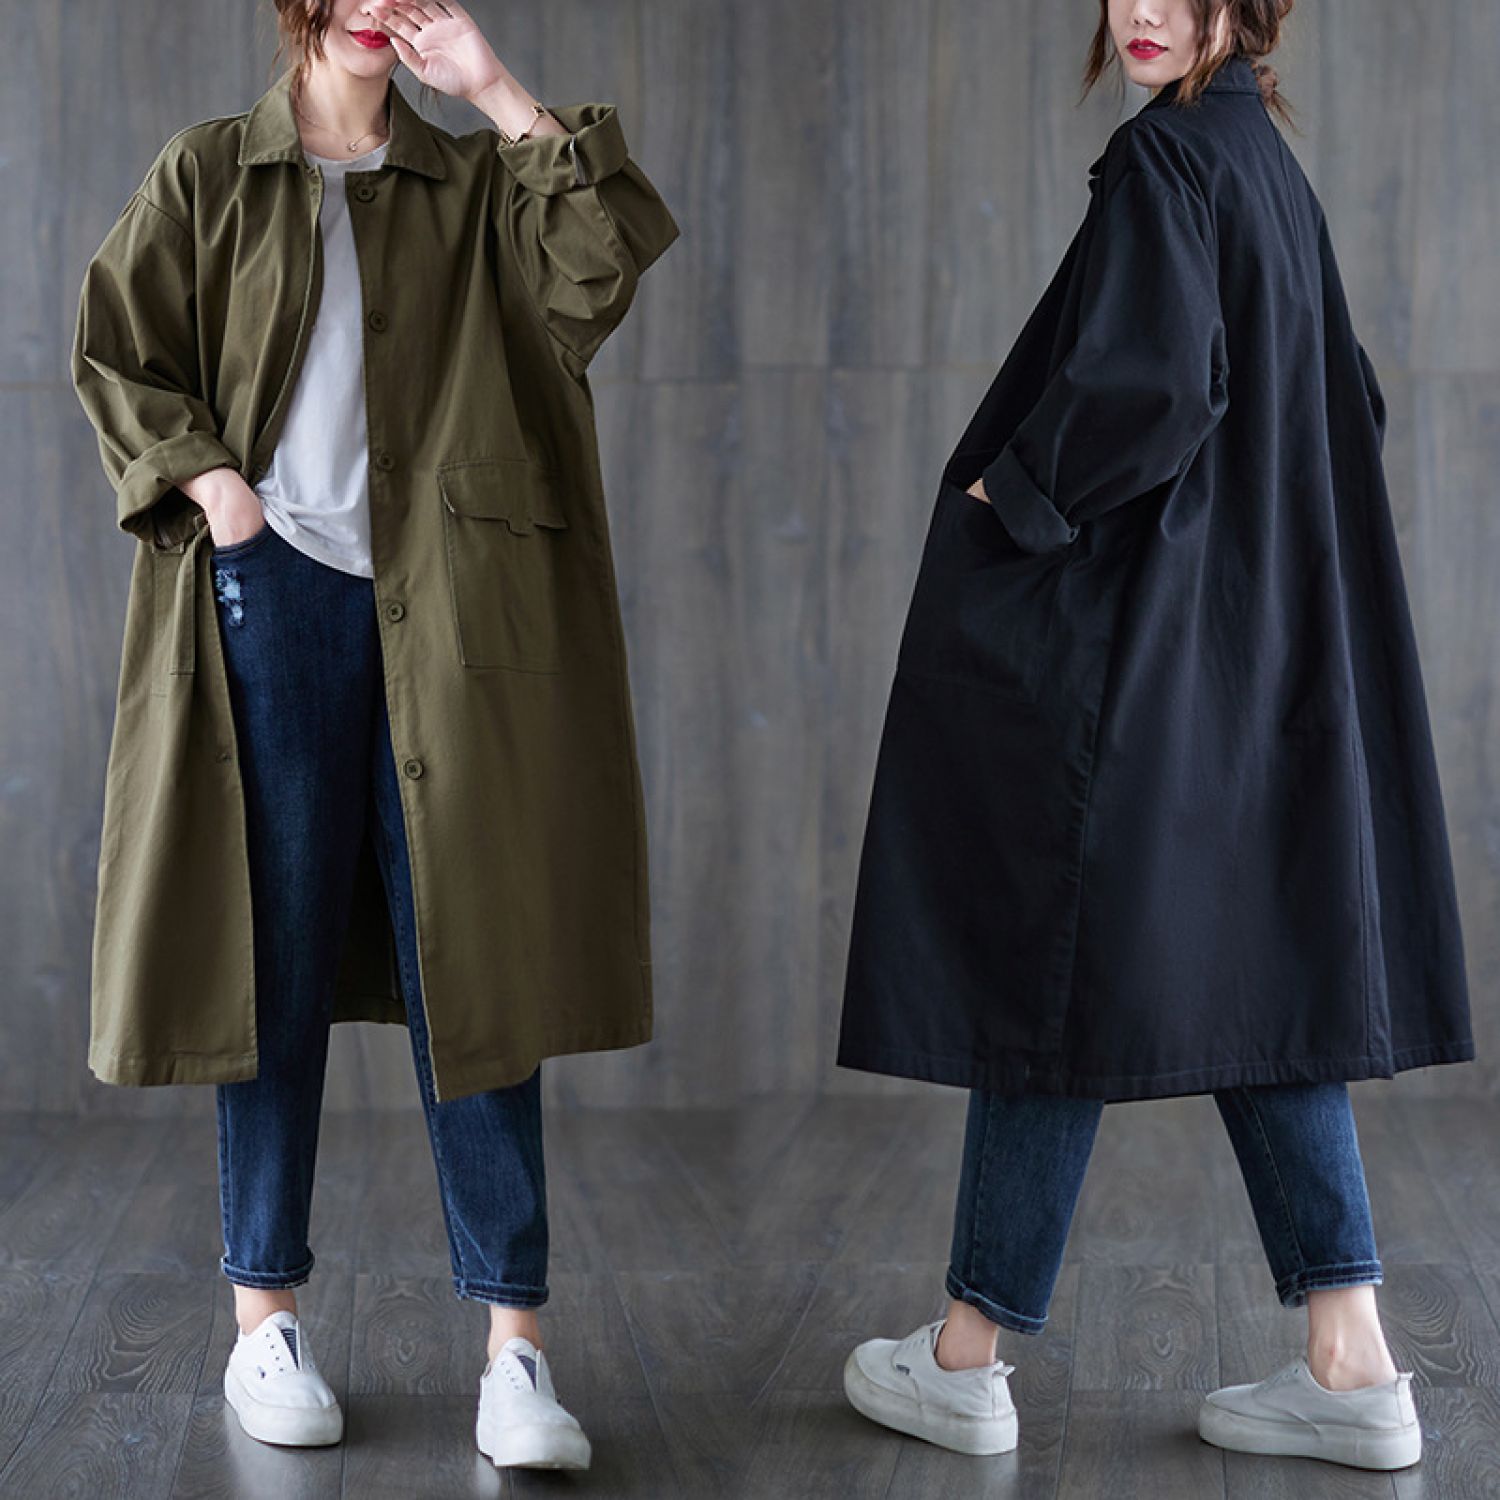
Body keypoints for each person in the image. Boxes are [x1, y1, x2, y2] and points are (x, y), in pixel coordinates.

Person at [835, 0, 1473, 1474]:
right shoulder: (1267, 169)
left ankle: (966, 1360)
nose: (1140, 9)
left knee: (1050, 957)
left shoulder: (1166, 161)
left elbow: (1155, 386)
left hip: (1155, 652)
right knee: (1259, 973)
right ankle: (1353, 1363)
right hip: (1263, 652)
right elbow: (1348, 401)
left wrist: (1013, 493)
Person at [70, 0, 678, 1471]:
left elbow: (600, 263)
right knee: (264, 957)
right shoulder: (210, 173)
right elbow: (118, 352)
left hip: (451, 608)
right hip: (271, 597)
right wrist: (214, 487)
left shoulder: (474, 185)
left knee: (478, 962)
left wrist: (493, 86)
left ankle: (515, 1352)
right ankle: (262, 1318)